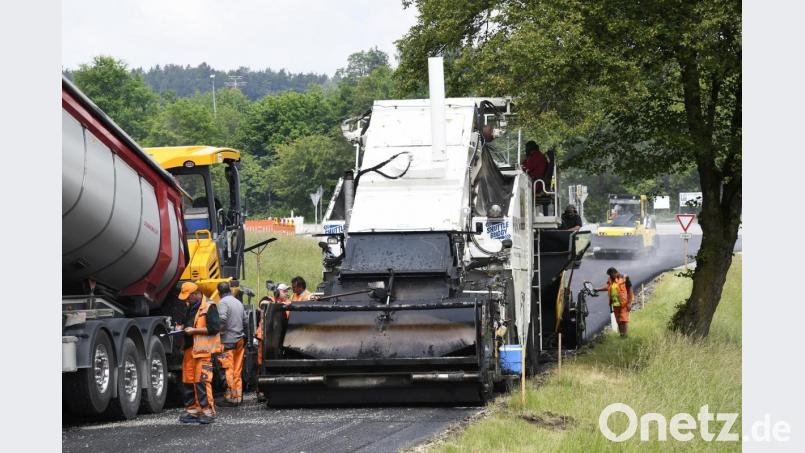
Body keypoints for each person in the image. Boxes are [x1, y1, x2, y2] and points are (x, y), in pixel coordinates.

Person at [178, 282, 221, 424]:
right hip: (190, 350)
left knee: (202, 381)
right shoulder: (191, 307)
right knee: (188, 381)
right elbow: (190, 324)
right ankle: (193, 411)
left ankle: (208, 412)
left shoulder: (209, 307)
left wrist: (194, 331)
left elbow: (214, 328)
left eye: (188, 297)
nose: (186, 300)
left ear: (196, 294)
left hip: (203, 352)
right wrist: (181, 328)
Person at [215, 282, 247, 406]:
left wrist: (220, 333)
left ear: (219, 292)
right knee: (237, 369)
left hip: (228, 341)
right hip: (239, 340)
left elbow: (222, 319)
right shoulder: (238, 302)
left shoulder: (223, 303)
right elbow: (245, 321)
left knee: (228, 369)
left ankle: (230, 397)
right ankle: (238, 396)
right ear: (230, 290)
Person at [596, 267, 631, 338]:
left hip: (623, 304)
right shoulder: (611, 280)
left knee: (623, 320)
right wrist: (598, 289)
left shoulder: (624, 278)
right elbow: (608, 287)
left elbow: (630, 290)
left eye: (611, 274)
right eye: (609, 275)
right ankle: (622, 335)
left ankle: (625, 336)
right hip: (615, 304)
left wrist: (629, 303)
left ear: (615, 272)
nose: (610, 276)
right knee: (619, 321)